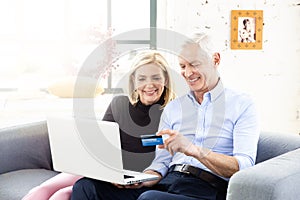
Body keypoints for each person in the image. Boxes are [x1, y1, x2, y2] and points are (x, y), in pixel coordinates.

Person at [71, 33, 260, 200]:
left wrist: (192, 149)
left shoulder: (242, 104)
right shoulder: (175, 108)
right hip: (167, 185)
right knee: (87, 188)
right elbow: (161, 162)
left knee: (150, 198)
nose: (188, 73)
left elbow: (242, 167)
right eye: (183, 66)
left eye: (194, 64)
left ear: (215, 60)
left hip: (205, 190)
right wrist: (143, 179)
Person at [22, 51, 175, 200]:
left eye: (156, 78)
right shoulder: (119, 104)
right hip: (102, 171)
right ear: (133, 80)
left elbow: (162, 158)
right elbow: (101, 143)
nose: (149, 84)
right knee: (42, 190)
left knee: (63, 195)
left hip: (132, 178)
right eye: (142, 78)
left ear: (166, 80)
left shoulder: (172, 114)